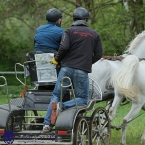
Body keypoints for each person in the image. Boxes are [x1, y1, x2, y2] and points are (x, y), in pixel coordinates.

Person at [43, 7, 103, 133]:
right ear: (86, 19)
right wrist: (86, 62)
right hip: (81, 71)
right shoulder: (94, 34)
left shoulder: (69, 31)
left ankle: (47, 125)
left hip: (66, 69)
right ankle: (62, 107)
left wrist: (57, 59)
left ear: (74, 19)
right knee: (82, 99)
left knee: (56, 95)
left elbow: (64, 47)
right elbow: (98, 54)